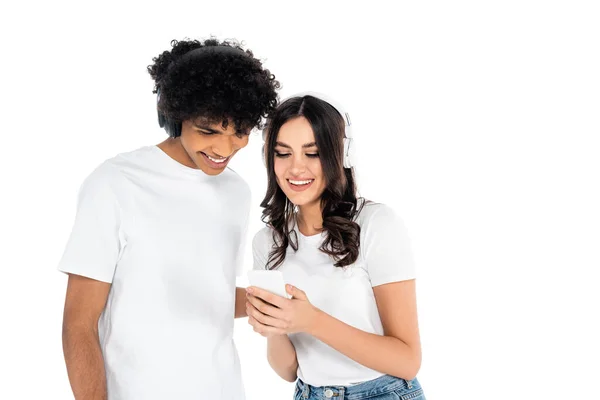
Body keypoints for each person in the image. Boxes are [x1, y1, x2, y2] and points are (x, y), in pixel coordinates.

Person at [58, 38, 280, 400]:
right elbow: (78, 323)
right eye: (208, 130)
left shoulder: (236, 192)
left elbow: (212, 294)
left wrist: (274, 302)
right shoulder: (115, 183)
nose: (224, 149)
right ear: (175, 116)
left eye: (238, 132)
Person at [247, 93, 425, 400]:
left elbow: (408, 361)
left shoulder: (375, 225)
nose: (295, 168)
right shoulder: (269, 242)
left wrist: (312, 320)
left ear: (340, 156)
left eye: (312, 153)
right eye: (282, 153)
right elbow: (287, 371)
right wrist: (273, 327)